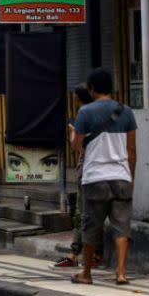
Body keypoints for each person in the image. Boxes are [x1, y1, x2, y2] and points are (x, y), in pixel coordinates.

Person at [71, 68, 137, 286]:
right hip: (121, 176)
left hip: (95, 177)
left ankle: (87, 273)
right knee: (121, 226)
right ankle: (120, 273)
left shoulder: (85, 112)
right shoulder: (126, 111)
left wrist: (73, 134)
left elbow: (77, 146)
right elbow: (132, 149)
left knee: (92, 226)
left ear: (91, 89)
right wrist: (131, 176)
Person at [54, 83, 102, 269]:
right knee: (97, 214)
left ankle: (74, 254)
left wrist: (73, 131)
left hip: (88, 170)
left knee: (82, 214)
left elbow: (77, 146)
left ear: (78, 98)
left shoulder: (83, 116)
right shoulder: (103, 115)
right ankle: (97, 254)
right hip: (105, 171)